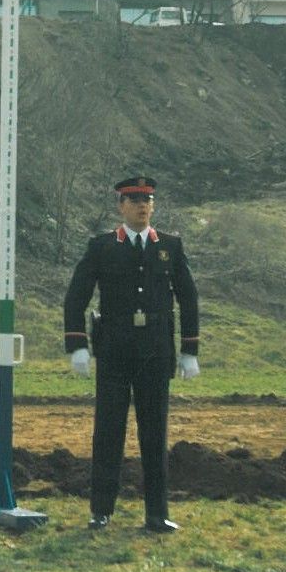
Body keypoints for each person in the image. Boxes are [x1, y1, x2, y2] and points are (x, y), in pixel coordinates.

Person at [63, 177, 199, 534]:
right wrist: (78, 344)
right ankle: (101, 510)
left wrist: (189, 350)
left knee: (154, 433)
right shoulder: (103, 247)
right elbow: (77, 296)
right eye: (135, 199)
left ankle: (156, 514)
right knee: (108, 432)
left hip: (154, 351)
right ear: (121, 206)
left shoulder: (169, 246)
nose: (142, 205)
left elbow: (188, 298)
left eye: (148, 199)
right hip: (115, 352)